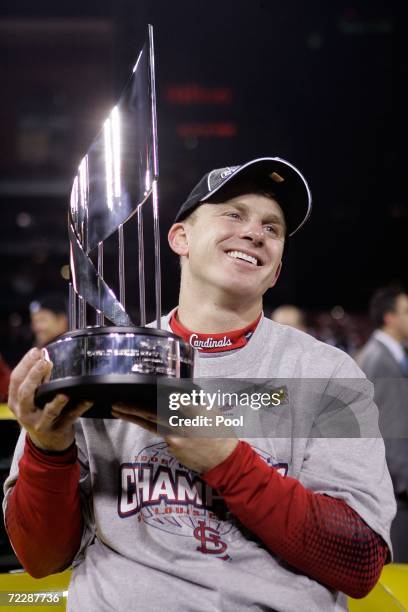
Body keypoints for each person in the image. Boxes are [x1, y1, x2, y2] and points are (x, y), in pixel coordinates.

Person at [3, 158, 396, 611]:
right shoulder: (106, 359)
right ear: (180, 238)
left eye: (272, 228)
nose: (254, 232)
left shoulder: (330, 373)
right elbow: (40, 559)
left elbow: (360, 561)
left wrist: (225, 459)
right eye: (233, 213)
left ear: (277, 270)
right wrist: (47, 450)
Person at [356, 285, 408, 562]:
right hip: (396, 492)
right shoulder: (381, 360)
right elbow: (390, 429)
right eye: (406, 312)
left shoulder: (380, 354)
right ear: (390, 318)